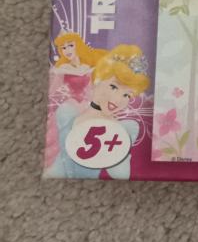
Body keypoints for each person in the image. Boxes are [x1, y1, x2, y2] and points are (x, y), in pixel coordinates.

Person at [46, 44, 149, 179]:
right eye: (113, 87)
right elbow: (57, 164)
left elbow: (121, 174)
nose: (118, 100)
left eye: (127, 95)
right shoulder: (67, 112)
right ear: (96, 81)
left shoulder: (123, 128)